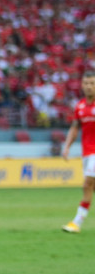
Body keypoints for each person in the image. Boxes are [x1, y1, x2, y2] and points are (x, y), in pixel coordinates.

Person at [61, 71, 95, 233]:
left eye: (92, 83)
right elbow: (74, 128)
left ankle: (77, 222)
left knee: (87, 184)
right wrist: (67, 146)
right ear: (82, 85)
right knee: (92, 187)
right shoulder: (80, 106)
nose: (89, 86)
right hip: (87, 153)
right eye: (86, 83)